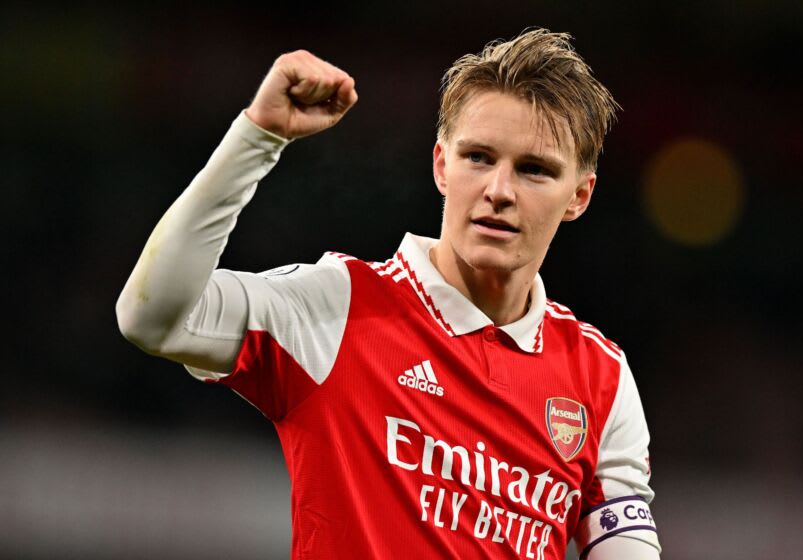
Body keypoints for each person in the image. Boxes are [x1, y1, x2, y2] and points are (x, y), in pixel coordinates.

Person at [117, 28, 661, 559]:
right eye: (478, 157)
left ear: (580, 196)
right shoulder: (338, 307)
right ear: (441, 166)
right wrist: (257, 137)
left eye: (534, 170)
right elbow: (154, 318)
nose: (498, 190)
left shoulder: (600, 377)